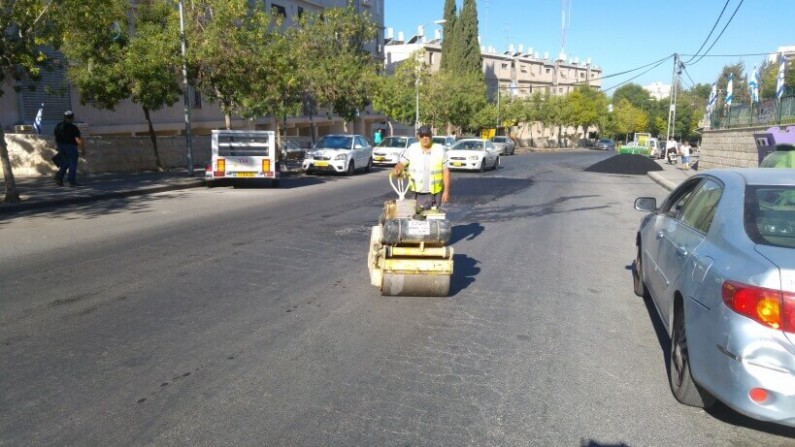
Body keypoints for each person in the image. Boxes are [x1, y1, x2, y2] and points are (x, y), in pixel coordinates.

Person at [393, 125, 450, 210]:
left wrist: (446, 191)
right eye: (422, 136)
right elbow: (401, 163)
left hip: (435, 193)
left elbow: (446, 171)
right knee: (417, 219)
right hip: (416, 192)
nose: (425, 138)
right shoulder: (412, 149)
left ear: (431, 136)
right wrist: (397, 169)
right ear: (418, 137)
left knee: (433, 218)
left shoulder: (439, 150)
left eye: (427, 135)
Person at [53, 110, 85, 187]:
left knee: (65, 163)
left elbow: (56, 137)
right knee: (72, 164)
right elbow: (77, 139)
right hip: (71, 147)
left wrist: (57, 146)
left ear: (64, 117)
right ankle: (72, 181)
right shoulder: (73, 127)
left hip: (61, 146)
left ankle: (59, 177)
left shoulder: (58, 126)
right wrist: (83, 148)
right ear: (72, 118)